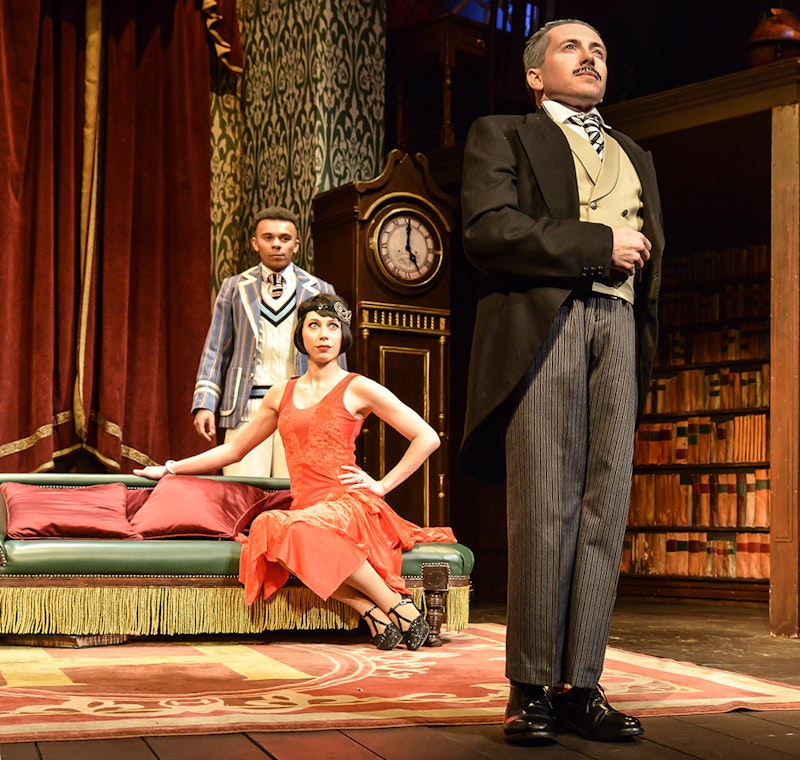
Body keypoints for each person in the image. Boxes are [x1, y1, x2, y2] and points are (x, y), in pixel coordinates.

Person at [459, 18, 663, 745]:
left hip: (620, 328)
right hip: (548, 325)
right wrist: (597, 244)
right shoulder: (504, 133)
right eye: (572, 47)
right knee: (545, 507)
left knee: (605, 512)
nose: (591, 57)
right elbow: (488, 231)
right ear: (535, 75)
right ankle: (530, 688)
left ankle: (583, 684)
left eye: (601, 49)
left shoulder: (636, 153)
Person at [138, 293, 453, 651]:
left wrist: (382, 485)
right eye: (314, 326)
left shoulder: (357, 386)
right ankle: (372, 610)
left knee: (293, 529)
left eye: (333, 327)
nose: (323, 334)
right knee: (272, 527)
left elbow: (427, 437)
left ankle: (399, 605)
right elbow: (234, 449)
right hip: (306, 509)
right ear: (300, 335)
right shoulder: (280, 393)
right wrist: (170, 468)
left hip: (348, 503)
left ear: (342, 336)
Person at [192, 206, 343, 477]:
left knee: (294, 492)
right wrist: (205, 403)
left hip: (301, 406)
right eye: (268, 237)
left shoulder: (319, 290)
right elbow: (216, 349)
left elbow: (334, 355)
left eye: (285, 239)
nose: (276, 244)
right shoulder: (235, 287)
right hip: (247, 406)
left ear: (296, 244)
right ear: (255, 242)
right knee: (243, 493)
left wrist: (336, 411)